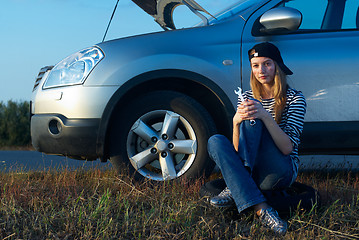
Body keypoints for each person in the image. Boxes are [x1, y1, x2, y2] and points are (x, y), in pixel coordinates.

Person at [207, 42, 306, 236]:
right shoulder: (246, 97)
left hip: (280, 169)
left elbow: (287, 149)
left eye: (267, 63)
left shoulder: (295, 99)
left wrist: (265, 116)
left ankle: (236, 186)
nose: (261, 70)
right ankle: (262, 208)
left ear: (278, 66)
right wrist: (236, 122)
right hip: (253, 169)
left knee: (254, 121)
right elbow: (238, 150)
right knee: (215, 141)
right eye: (256, 65)